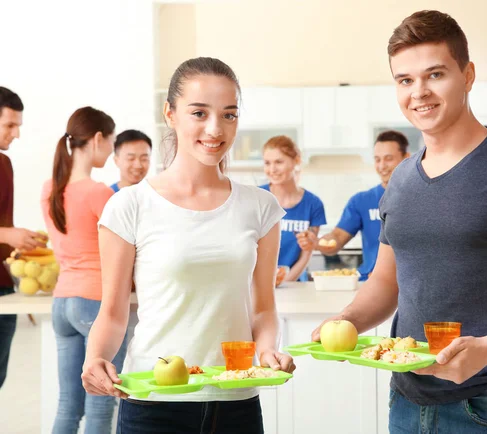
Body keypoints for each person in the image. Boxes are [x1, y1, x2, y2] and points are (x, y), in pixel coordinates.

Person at [312, 10, 487, 434]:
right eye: (405, 80)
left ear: (467, 75)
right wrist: (347, 321)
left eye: (435, 74)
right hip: (406, 402)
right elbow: (387, 283)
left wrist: (486, 350)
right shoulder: (401, 180)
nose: (419, 92)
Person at [81, 57, 295, 434]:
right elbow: (113, 313)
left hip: (236, 401)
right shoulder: (129, 205)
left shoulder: (261, 208)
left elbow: (262, 309)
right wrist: (95, 357)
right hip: (153, 402)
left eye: (229, 115)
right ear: (170, 114)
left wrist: (266, 351)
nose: (215, 129)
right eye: (199, 112)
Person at [40, 106, 127, 434]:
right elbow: (123, 251)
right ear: (98, 139)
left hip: (62, 302)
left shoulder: (50, 189)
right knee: (101, 404)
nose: (111, 149)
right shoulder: (99, 193)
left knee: (67, 404)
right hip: (94, 301)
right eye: (112, 142)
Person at [298, 130, 409, 280]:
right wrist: (317, 243)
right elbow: (336, 238)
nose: (382, 165)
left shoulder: (421, 198)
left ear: (406, 158)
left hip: (410, 286)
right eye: (377, 159)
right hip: (371, 282)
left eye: (388, 159)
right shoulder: (361, 201)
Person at [0, 87, 47, 390]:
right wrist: (8, 234)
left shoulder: (5, 164)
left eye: (18, 126)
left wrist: (23, 244)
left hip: (5, 287)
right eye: (9, 125)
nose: (16, 134)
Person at [260, 135, 326, 282]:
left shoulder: (313, 204)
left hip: (294, 284)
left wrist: (284, 282)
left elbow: (306, 252)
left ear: (296, 161)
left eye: (279, 162)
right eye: (267, 163)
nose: (272, 169)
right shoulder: (257, 198)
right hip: (257, 284)